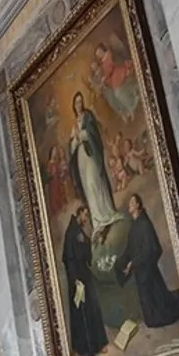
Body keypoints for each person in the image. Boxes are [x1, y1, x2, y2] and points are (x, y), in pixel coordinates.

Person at [115, 194, 179, 328]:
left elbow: (152, 249)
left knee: (160, 309)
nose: (129, 205)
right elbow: (130, 249)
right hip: (140, 270)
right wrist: (120, 262)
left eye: (132, 202)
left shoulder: (144, 224)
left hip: (148, 270)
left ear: (138, 205)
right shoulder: (134, 226)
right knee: (149, 315)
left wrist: (133, 263)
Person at [68, 92, 123, 243]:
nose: (78, 105)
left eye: (80, 102)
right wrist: (74, 141)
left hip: (91, 156)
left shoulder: (87, 116)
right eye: (76, 102)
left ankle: (107, 213)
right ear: (73, 106)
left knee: (95, 182)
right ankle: (98, 221)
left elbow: (93, 134)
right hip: (81, 160)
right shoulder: (74, 124)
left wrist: (82, 135)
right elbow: (71, 148)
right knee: (88, 188)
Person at [62, 205, 109, 356]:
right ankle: (85, 348)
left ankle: (98, 344)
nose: (87, 218)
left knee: (93, 308)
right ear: (79, 214)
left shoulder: (78, 231)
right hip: (77, 279)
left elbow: (86, 255)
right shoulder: (72, 233)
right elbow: (69, 259)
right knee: (81, 312)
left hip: (84, 275)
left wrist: (92, 241)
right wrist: (75, 280)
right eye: (85, 215)